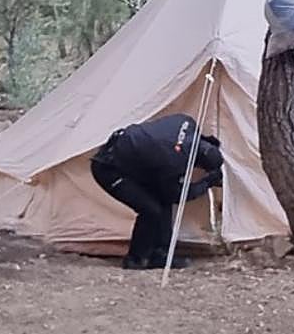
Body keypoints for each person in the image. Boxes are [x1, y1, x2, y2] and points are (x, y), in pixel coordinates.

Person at [90, 113, 223, 270]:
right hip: (108, 169)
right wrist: (207, 182)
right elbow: (178, 195)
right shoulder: (173, 162)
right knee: (150, 210)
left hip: (133, 161)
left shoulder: (187, 122)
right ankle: (135, 259)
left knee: (162, 199)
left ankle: (160, 255)